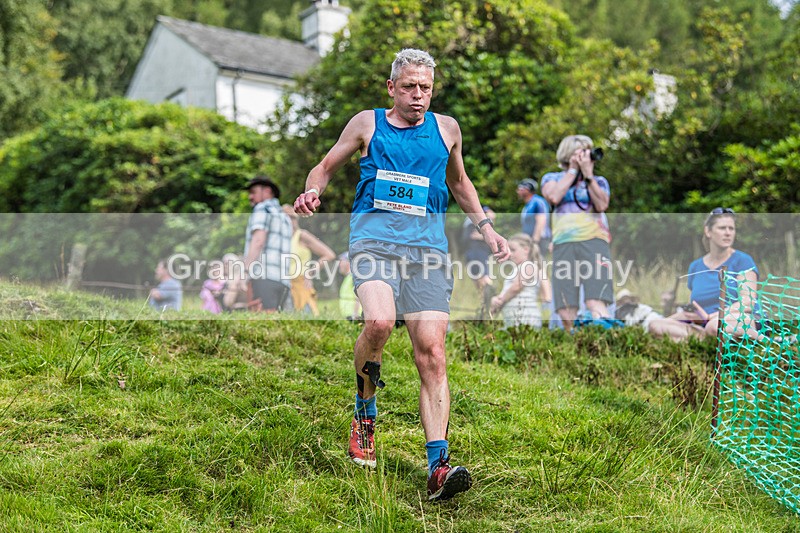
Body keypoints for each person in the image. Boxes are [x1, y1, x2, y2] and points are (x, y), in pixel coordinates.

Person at [293, 48, 508, 501]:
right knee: (379, 323)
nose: (417, 95)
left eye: (425, 87)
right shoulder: (367, 123)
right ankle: (364, 413)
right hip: (373, 243)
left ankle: (437, 466)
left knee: (431, 351)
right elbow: (325, 166)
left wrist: (486, 229)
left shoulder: (447, 129)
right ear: (392, 87)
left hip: (427, 250)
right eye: (409, 86)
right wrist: (313, 191)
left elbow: (459, 183)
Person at [541, 135, 612, 330]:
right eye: (580, 152)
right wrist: (573, 170)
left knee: (596, 297)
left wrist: (588, 176)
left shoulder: (598, 181)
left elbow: (602, 205)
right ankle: (575, 342)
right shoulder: (551, 178)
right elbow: (554, 196)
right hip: (563, 242)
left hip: (594, 240)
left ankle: (602, 339)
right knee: (565, 303)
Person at [672, 208, 759, 338]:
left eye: (731, 228)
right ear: (708, 231)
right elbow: (696, 302)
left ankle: (760, 338)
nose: (728, 233)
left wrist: (713, 316)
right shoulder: (695, 266)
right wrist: (695, 314)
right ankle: (705, 338)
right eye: (722, 228)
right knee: (656, 325)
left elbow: (747, 302)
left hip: (739, 318)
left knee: (714, 326)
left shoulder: (743, 261)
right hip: (703, 322)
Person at [243, 176, 293, 312]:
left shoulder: (262, 209)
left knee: (261, 325)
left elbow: (258, 241)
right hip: (283, 281)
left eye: (253, 192)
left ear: (267, 191)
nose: (250, 197)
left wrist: (245, 271)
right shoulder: (285, 217)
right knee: (276, 326)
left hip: (263, 277)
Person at [282, 204, 336, 316]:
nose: (291, 222)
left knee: (307, 318)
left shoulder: (301, 235)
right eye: (287, 218)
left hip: (301, 284)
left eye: (293, 218)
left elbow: (329, 254)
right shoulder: (281, 240)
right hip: (285, 287)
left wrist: (311, 271)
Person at [490, 233, 551, 328]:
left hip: (526, 319)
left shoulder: (529, 266)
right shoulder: (518, 268)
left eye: (513, 250)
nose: (510, 254)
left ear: (526, 249)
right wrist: (496, 299)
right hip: (515, 320)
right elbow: (508, 290)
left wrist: (500, 301)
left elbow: (517, 286)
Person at [614, 289, 706, 341]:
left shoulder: (642, 308)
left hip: (657, 320)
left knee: (682, 316)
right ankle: (697, 338)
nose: (628, 301)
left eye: (629, 298)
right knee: (656, 327)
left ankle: (700, 335)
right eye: (624, 299)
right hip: (649, 327)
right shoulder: (620, 312)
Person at [461, 205, 496, 315]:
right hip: (472, 252)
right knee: (478, 281)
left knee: (484, 279)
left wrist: (483, 236)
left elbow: (491, 214)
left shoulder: (480, 210)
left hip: (479, 252)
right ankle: (485, 309)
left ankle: (491, 306)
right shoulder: (469, 215)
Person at [517, 178, 551, 258]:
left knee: (538, 264)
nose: (518, 191)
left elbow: (541, 220)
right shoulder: (528, 204)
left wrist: (535, 241)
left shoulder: (537, 201)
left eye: (520, 189)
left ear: (527, 189)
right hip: (530, 240)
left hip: (539, 240)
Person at [338, 252, 362, 320]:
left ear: (348, 262)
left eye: (341, 261)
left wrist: (355, 314)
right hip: (349, 316)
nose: (339, 265)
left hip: (354, 317)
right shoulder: (349, 277)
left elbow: (358, 296)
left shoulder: (354, 277)